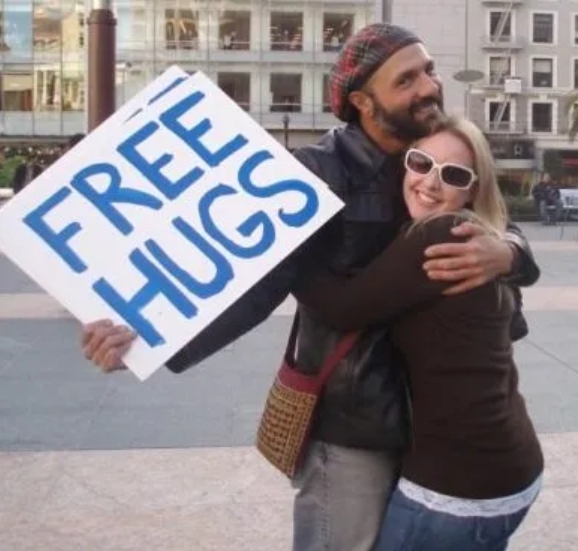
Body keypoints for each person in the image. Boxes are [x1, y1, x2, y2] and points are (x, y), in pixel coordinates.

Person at [80, 24, 540, 551]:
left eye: (429, 71)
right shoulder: (315, 173)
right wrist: (145, 339)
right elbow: (253, 287)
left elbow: (491, 214)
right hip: (354, 420)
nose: (429, 87)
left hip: (431, 423)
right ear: (363, 100)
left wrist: (509, 252)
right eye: (407, 79)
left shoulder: (436, 150)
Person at [293, 116, 543, 550]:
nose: (430, 181)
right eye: (421, 162)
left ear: (473, 189)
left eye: (454, 174)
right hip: (508, 468)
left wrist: (281, 248)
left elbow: (342, 308)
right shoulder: (479, 236)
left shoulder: (440, 234)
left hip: (456, 488)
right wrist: (512, 250)